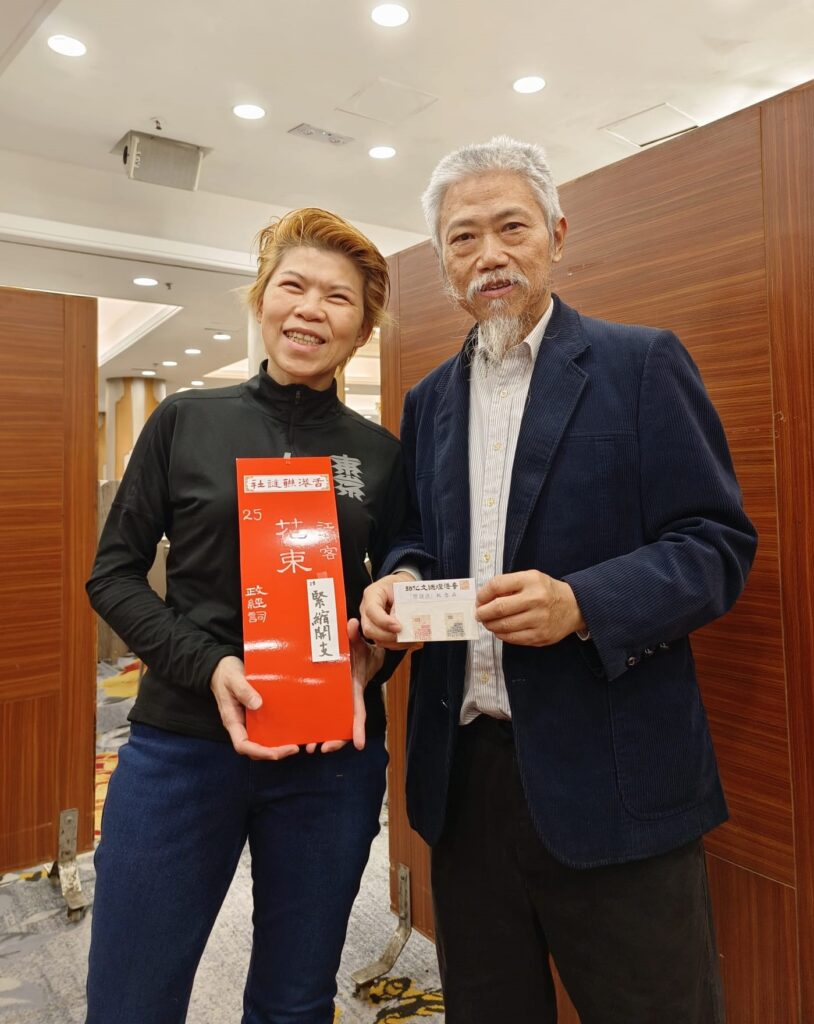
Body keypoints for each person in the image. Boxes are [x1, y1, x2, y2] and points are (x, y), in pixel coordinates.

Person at [360, 137, 757, 1024]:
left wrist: (583, 603)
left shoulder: (641, 364)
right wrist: (401, 577)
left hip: (616, 777)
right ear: (443, 261)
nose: (490, 255)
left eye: (513, 228)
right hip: (465, 783)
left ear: (557, 236)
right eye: (464, 238)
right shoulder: (428, 400)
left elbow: (716, 545)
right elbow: (417, 538)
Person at [85, 207, 406, 1024]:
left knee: (295, 1003)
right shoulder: (185, 421)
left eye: (338, 298)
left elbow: (398, 592)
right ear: (262, 300)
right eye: (293, 286)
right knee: (130, 1000)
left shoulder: (379, 454)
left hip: (328, 761)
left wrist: (376, 655)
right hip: (183, 747)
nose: (310, 310)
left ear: (363, 329)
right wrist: (209, 665)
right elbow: (113, 575)